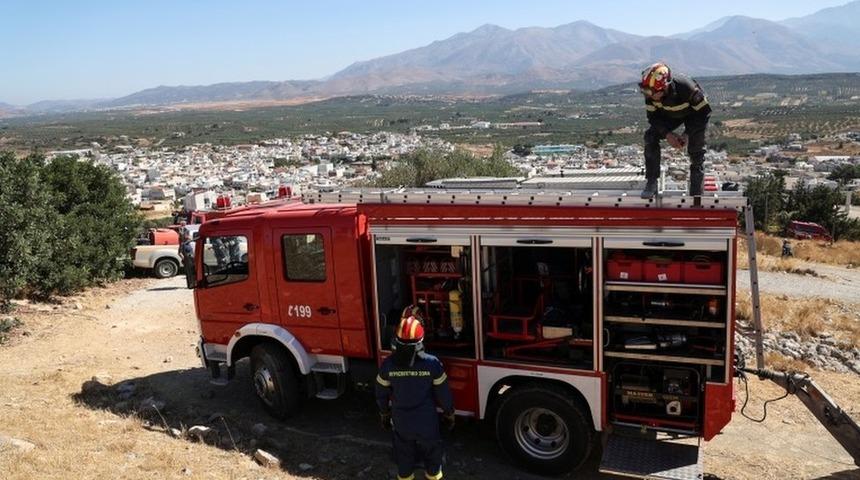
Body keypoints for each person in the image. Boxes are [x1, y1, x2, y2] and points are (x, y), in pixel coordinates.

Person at [376, 307, 455, 480]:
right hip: (427, 422)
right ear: (421, 340)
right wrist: (449, 413)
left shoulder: (388, 365)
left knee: (404, 461)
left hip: (402, 423)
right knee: (433, 461)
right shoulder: (432, 364)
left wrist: (384, 413)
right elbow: (443, 394)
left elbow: (381, 393)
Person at [638, 62, 712, 199]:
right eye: (645, 91)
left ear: (664, 87)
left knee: (697, 149)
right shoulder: (650, 94)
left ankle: (696, 188)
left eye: (650, 92)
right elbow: (653, 118)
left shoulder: (686, 87)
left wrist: (687, 133)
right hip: (669, 115)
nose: (647, 95)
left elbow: (704, 113)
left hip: (693, 115)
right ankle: (651, 181)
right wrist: (667, 134)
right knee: (650, 136)